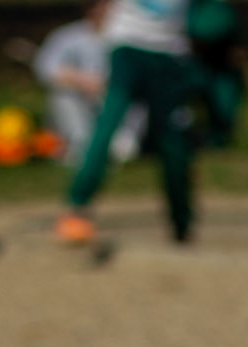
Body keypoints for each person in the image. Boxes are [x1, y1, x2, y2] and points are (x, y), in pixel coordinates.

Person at [56, 0, 196, 246]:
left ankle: (181, 220)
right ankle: (78, 207)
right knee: (108, 125)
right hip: (129, 47)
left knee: (172, 138)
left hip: (168, 52)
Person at [33, 0, 144, 166]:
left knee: (124, 150)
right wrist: (81, 80)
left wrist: (109, 84)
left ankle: (118, 142)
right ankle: (80, 143)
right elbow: (46, 69)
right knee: (62, 94)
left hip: (116, 100)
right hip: (80, 102)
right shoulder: (67, 36)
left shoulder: (132, 38)